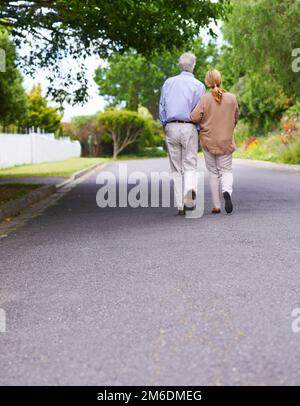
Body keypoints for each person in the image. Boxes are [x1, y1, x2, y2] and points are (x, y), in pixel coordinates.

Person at [159, 52, 205, 215]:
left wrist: (165, 123)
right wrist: (198, 127)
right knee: (190, 164)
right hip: (189, 126)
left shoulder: (168, 83)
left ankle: (180, 205)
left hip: (171, 126)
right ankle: (190, 196)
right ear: (193, 66)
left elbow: (162, 106)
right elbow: (201, 110)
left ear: (180, 66)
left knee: (176, 168)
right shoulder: (199, 86)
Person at [191, 69, 239, 214]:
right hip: (226, 140)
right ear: (220, 79)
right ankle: (227, 192)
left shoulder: (205, 99)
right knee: (226, 170)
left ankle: (216, 206)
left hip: (208, 141)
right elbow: (235, 118)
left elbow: (194, 117)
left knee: (213, 172)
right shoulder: (232, 98)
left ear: (207, 82)